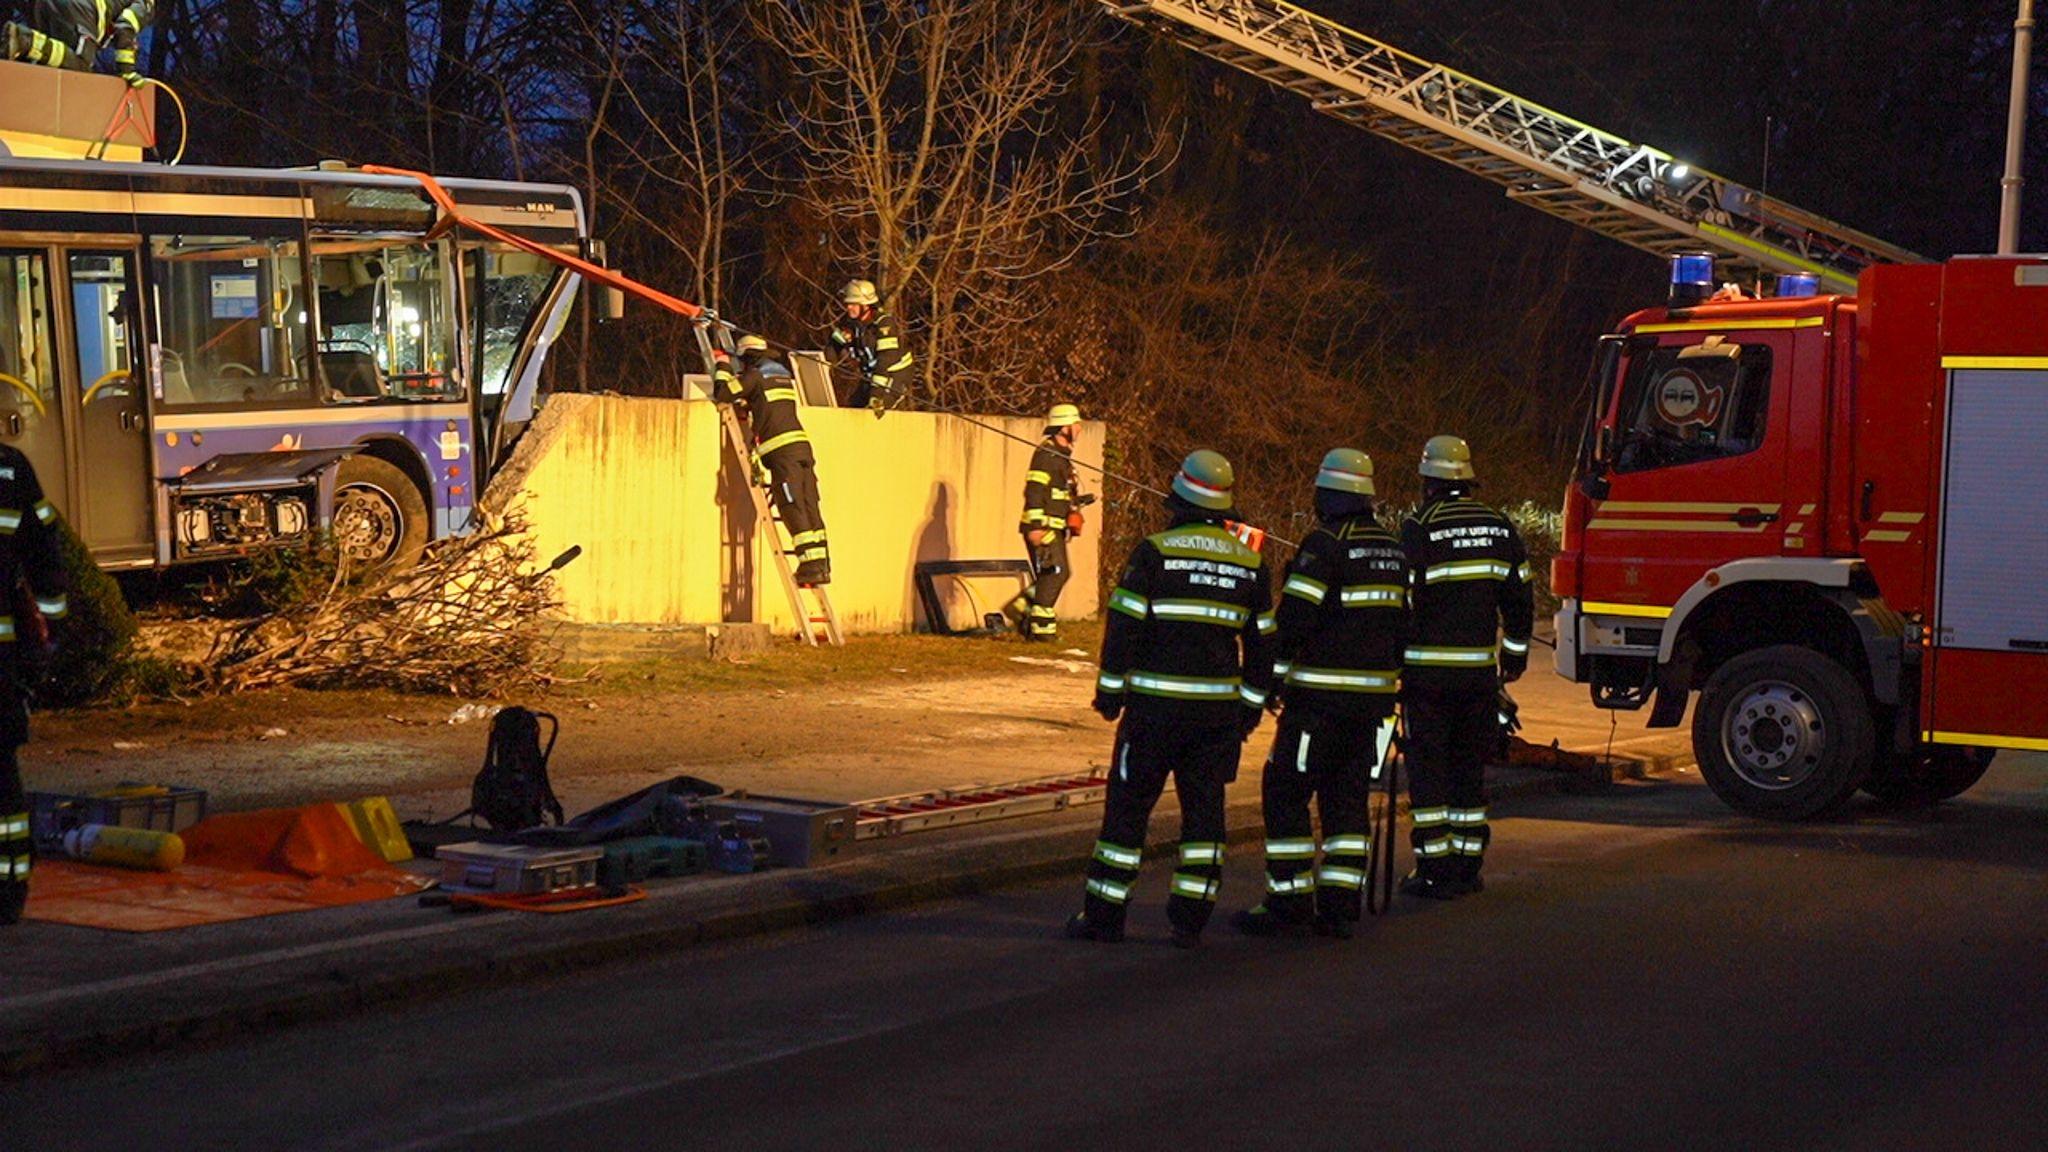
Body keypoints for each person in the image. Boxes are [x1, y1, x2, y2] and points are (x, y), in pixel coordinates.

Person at [1067, 450, 1274, 948]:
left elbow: (1124, 626)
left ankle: (1104, 917)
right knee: (1205, 816)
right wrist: (1250, 706)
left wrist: (1110, 691)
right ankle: (1190, 920)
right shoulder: (1250, 562)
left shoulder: (1154, 552)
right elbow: (1262, 643)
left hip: (1152, 713)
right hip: (1216, 718)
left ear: (1179, 498)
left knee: (1127, 813)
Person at [1233, 448, 1407, 940]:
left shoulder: (1325, 544)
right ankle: (1340, 906)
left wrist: (1271, 679)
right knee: (1347, 801)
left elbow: (1293, 621)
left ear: (1329, 495)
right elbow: (1403, 627)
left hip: (1317, 704)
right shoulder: (1393, 550)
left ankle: (1289, 903)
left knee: (1285, 791)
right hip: (1370, 708)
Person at [1398, 435, 1533, 900]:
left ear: (1428, 481)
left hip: (1427, 678)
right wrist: (1513, 654)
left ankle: (1434, 869)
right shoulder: (1499, 526)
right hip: (1478, 677)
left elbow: (1401, 601)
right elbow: (1520, 597)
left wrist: (1392, 660)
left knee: (1428, 773)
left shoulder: (1419, 527)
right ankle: (1468, 866)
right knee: (1468, 771)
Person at [0, 445, 70, 926]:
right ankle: (8, 891)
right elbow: (46, 550)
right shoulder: (11, 467)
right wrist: (50, 631)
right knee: (3, 784)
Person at [715, 334, 831, 585]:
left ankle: (810, 566)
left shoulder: (755, 375)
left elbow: (722, 393)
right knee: (809, 504)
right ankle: (821, 564)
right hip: (802, 449)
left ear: (747, 356)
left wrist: (722, 365)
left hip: (782, 454)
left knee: (791, 505)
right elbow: (766, 404)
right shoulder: (782, 375)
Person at [1008, 403, 1092, 642]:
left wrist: (1075, 504)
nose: (1079, 429)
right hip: (1043, 526)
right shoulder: (1047, 455)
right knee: (1056, 572)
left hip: (1055, 525)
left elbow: (1056, 491)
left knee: (1054, 573)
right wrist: (1036, 527)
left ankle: (1021, 610)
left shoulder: (1062, 457)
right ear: (1064, 427)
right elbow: (1034, 490)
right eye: (1076, 424)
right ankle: (1041, 630)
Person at [4, 0, 155, 84]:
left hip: (42, 6)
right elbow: (125, 27)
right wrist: (127, 71)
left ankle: (16, 48)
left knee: (55, 60)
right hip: (78, 8)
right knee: (80, 65)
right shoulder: (146, 3)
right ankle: (26, 40)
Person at [827, 279, 914, 412]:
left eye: (853, 304)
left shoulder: (884, 325)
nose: (849, 308)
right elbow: (832, 347)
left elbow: (885, 361)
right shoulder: (850, 324)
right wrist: (826, 365)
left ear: (866, 306)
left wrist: (876, 394)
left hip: (894, 375)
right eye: (848, 304)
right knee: (855, 410)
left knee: (876, 410)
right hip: (871, 376)